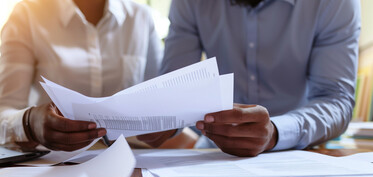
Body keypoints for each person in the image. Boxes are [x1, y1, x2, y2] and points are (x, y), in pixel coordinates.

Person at [138, 0, 360, 157]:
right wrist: (163, 119)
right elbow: (173, 89)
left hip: (300, 153)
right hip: (213, 155)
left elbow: (336, 100)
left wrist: (277, 131)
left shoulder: (335, 3)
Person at [0, 0, 162, 151]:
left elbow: (161, 101)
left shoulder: (141, 17)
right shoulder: (27, 16)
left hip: (132, 163)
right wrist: (29, 124)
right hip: (53, 167)